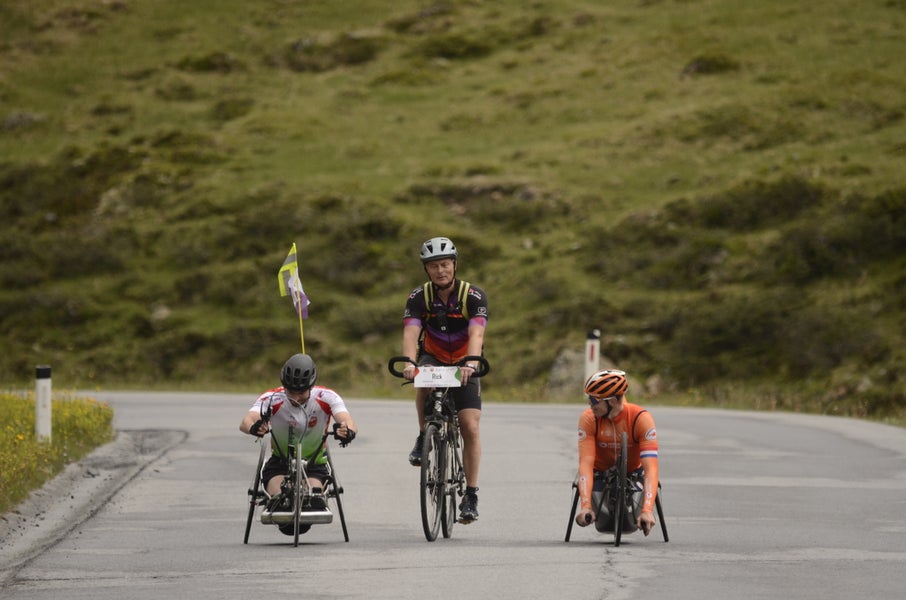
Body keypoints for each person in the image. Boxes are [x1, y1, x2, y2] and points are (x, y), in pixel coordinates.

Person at [400, 236, 489, 523]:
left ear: (455, 265)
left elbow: (477, 333)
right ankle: (423, 432)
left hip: (465, 361)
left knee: (469, 425)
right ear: (426, 270)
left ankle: (471, 495)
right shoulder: (418, 297)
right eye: (434, 266)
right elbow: (411, 333)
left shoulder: (473, 296)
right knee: (421, 380)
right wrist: (409, 362)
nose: (441, 271)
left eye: (445, 264)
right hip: (434, 357)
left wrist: (472, 362)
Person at [240, 353, 357, 535]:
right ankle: (279, 501)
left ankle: (312, 497)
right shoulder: (272, 398)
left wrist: (346, 431)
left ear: (311, 386)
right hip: (279, 463)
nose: (296, 398)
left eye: (301, 392)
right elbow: (246, 421)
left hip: (314, 464)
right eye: (290, 392)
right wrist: (255, 427)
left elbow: (348, 422)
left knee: (313, 501)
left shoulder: (327, 397)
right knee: (279, 503)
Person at [574, 369, 659, 536]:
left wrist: (647, 509)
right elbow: (585, 463)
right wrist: (585, 506)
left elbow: (651, 468)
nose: (590, 406)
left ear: (612, 401)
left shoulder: (640, 418)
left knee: (630, 522)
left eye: (593, 400)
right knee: (603, 522)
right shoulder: (588, 418)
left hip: (633, 473)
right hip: (599, 472)